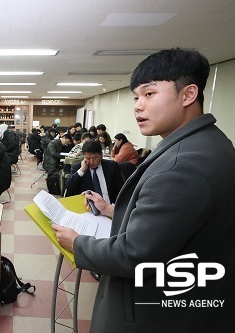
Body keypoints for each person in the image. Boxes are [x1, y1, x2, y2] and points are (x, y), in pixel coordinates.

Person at [51, 48, 235, 332]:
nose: (137, 105)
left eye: (149, 94)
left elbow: (134, 253)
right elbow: (170, 222)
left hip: (156, 313)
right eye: (136, 97)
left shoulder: (182, 166)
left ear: (188, 95)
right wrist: (112, 210)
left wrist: (77, 243)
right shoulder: (208, 144)